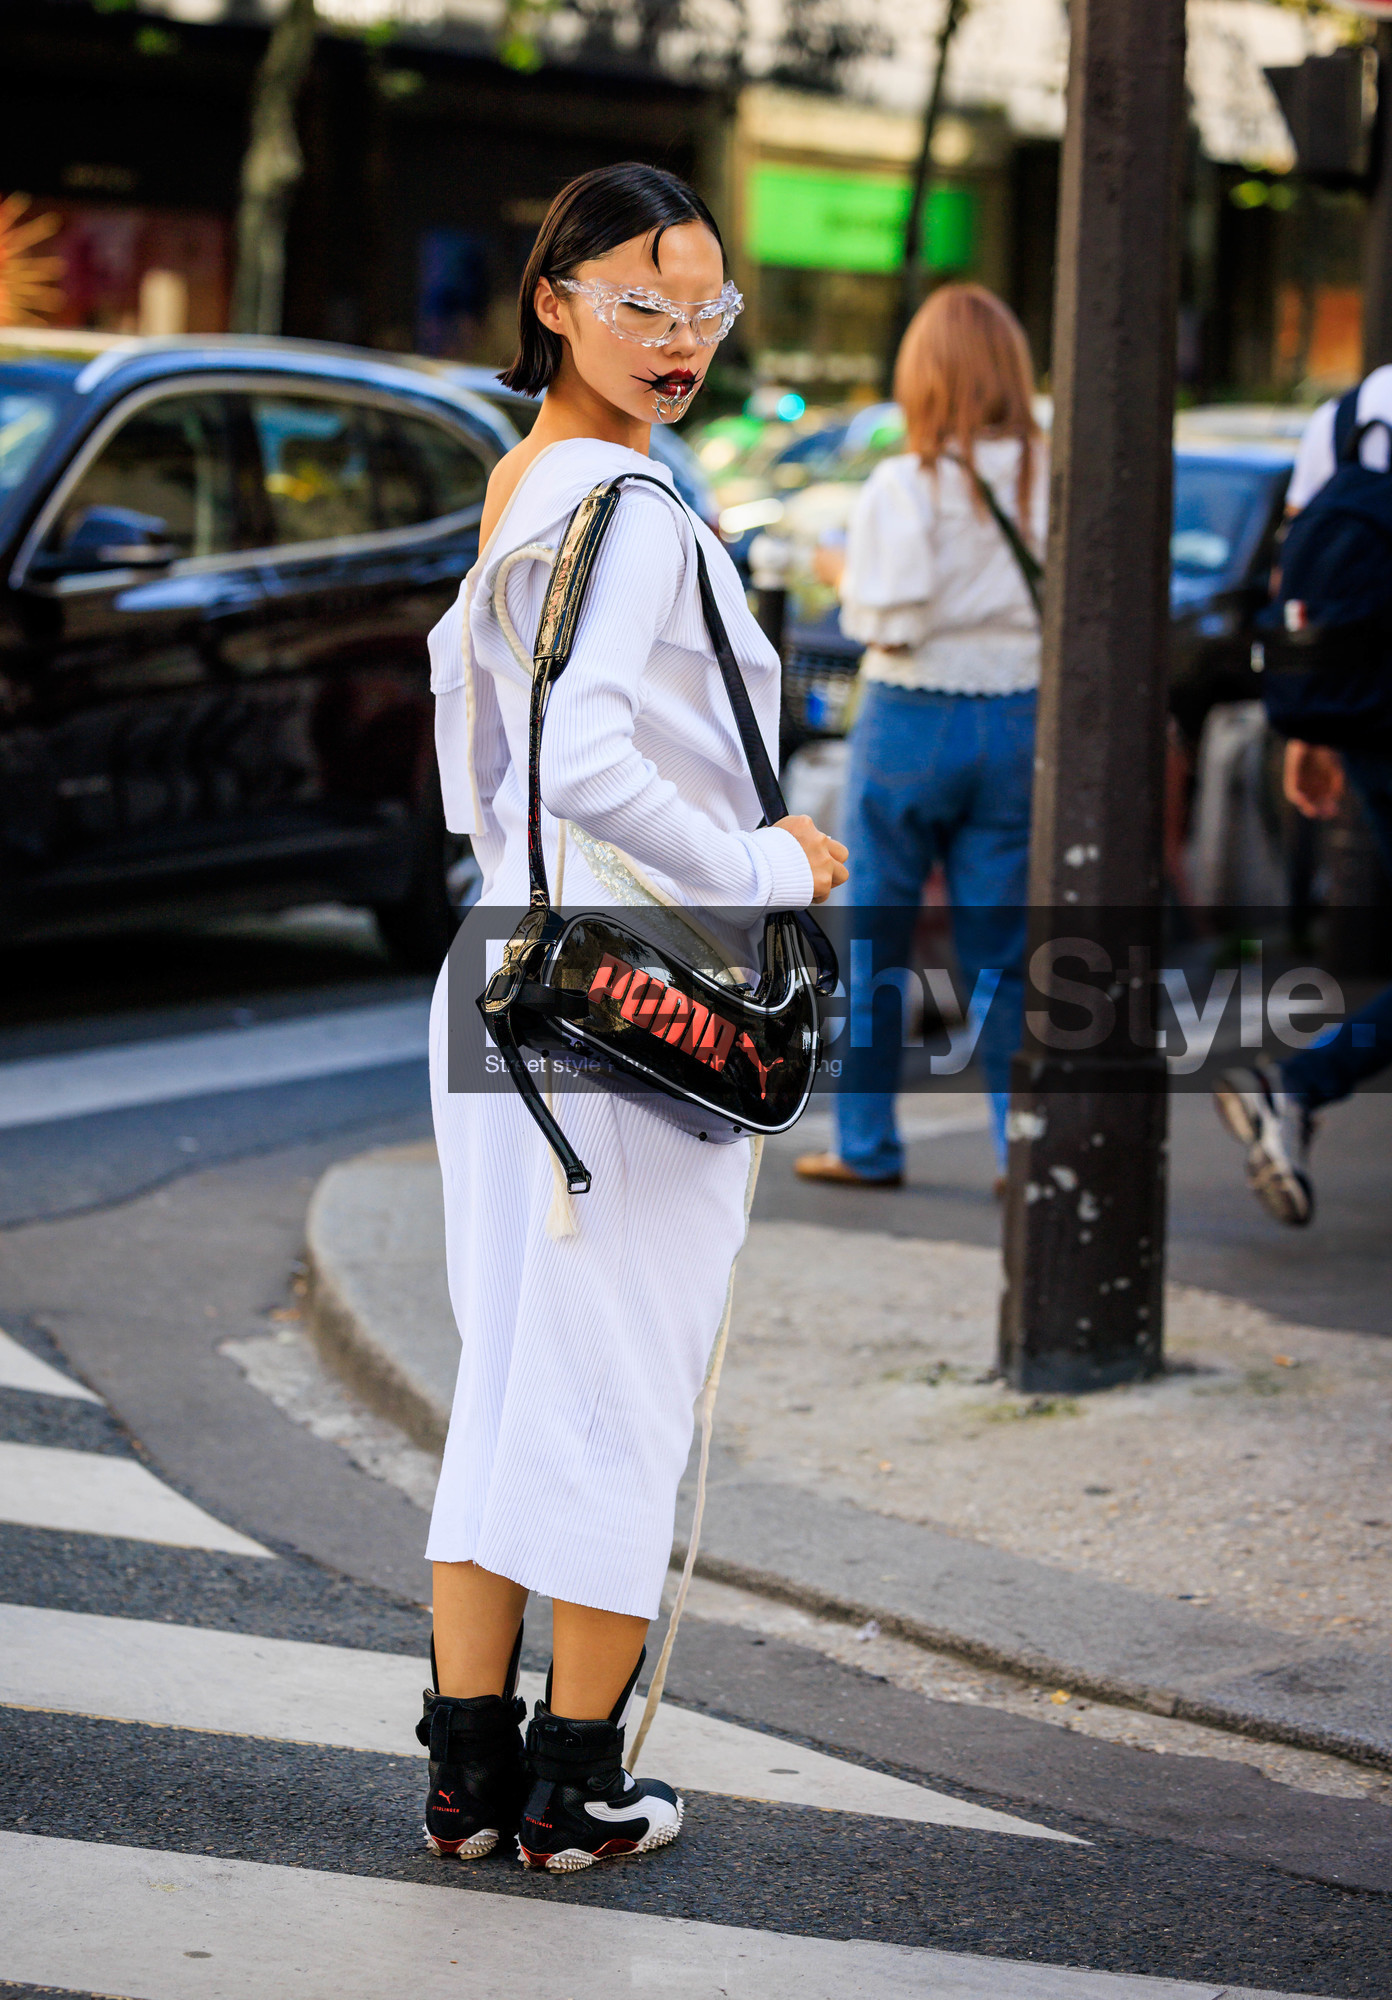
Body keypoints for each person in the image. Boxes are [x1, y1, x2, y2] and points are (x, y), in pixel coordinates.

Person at [419, 162, 847, 1873]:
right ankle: (577, 1786)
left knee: (517, 1379)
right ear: (555, 302)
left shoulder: (524, 487)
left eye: (706, 310)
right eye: (640, 305)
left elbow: (484, 769)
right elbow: (590, 757)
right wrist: (765, 860)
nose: (680, 341)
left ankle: (468, 1775)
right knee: (617, 1393)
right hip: (627, 999)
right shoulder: (642, 517)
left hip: (504, 973)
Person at [795, 284, 1047, 1194]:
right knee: (1002, 956)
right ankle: (1021, 1149)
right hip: (1020, 716)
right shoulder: (1049, 470)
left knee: (878, 945)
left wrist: (836, 569)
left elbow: (888, 621)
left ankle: (866, 1145)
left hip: (912, 721)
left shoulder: (907, 482)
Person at [1214, 362, 1392, 1225]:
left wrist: (1309, 733)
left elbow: (1307, 589)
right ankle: (1299, 1085)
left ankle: (1299, 1086)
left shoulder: (1352, 415)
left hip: (1371, 720)